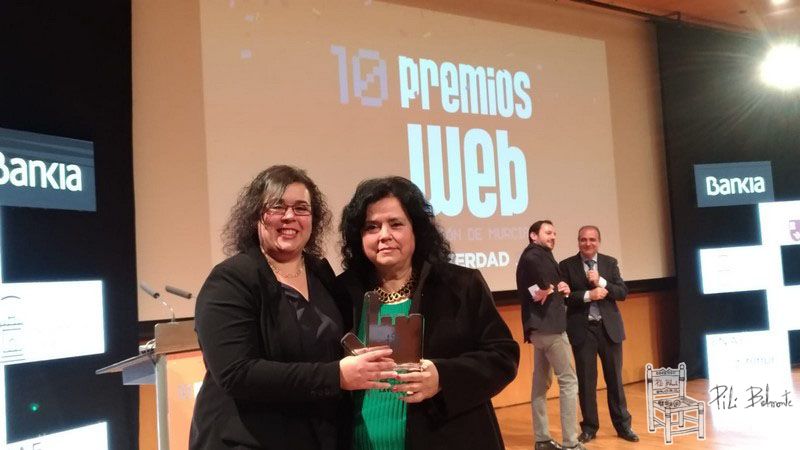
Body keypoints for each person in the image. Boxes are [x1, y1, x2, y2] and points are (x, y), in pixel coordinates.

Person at [190, 165, 396, 450]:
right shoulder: (230, 280)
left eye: (301, 208)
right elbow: (236, 373)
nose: (290, 216)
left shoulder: (320, 273)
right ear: (255, 215)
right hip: (246, 441)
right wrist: (336, 376)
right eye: (277, 206)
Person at [337, 176, 519, 450]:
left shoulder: (460, 285)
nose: (384, 235)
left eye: (396, 224)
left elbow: (503, 357)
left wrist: (442, 377)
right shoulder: (343, 292)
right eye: (371, 227)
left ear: (417, 230)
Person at [559, 225, 638, 443]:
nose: (588, 243)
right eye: (583, 239)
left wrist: (602, 281)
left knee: (615, 380)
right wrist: (589, 295)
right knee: (586, 382)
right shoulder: (566, 265)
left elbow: (622, 292)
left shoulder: (610, 263)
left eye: (592, 239)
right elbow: (564, 297)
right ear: (578, 241)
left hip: (609, 329)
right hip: (582, 330)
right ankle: (589, 427)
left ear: (599, 242)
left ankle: (623, 426)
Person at [516, 220, 584, 450]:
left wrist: (559, 288)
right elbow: (539, 289)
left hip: (539, 329)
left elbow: (541, 289)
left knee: (541, 382)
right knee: (568, 381)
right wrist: (552, 288)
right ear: (533, 235)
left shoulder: (536, 255)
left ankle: (542, 439)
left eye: (554, 233)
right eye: (547, 232)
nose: (553, 236)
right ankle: (571, 443)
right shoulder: (535, 257)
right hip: (551, 328)